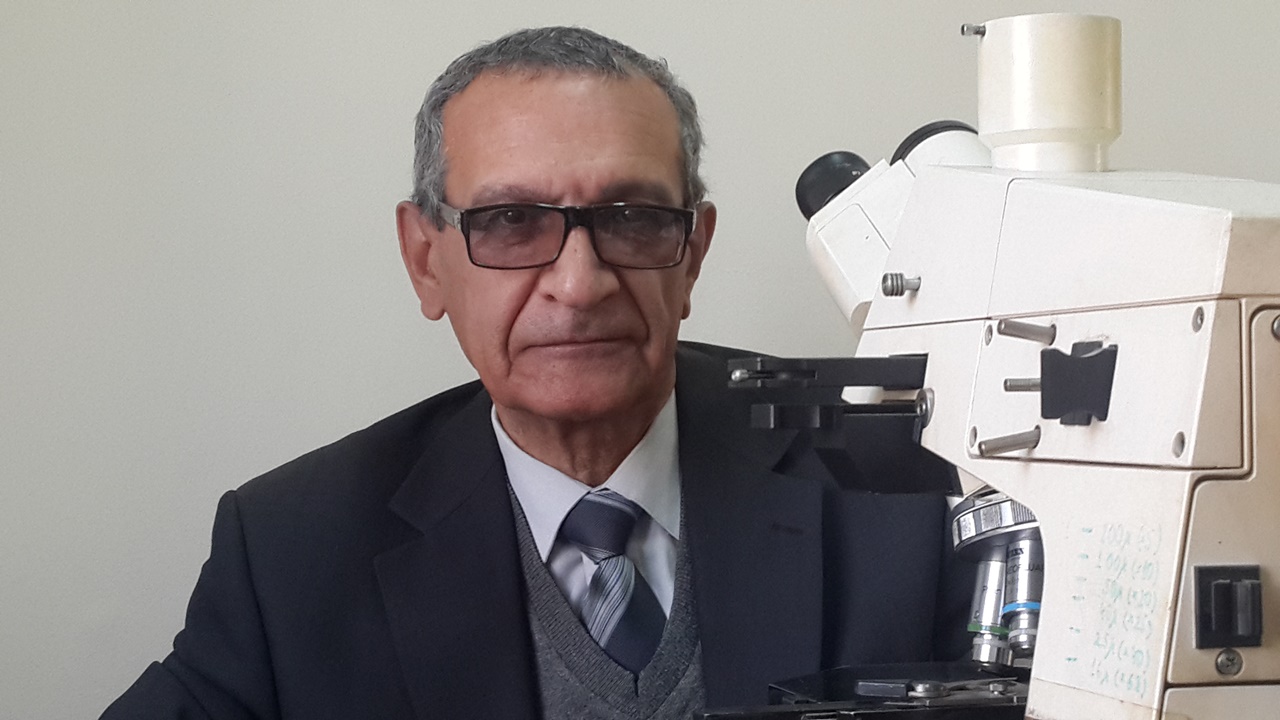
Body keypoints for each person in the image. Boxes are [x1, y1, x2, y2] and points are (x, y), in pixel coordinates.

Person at [102, 26, 971, 720]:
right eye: (511, 222)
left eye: (632, 218)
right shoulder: (294, 547)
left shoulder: (909, 470)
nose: (579, 284)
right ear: (425, 260)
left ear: (693, 255)